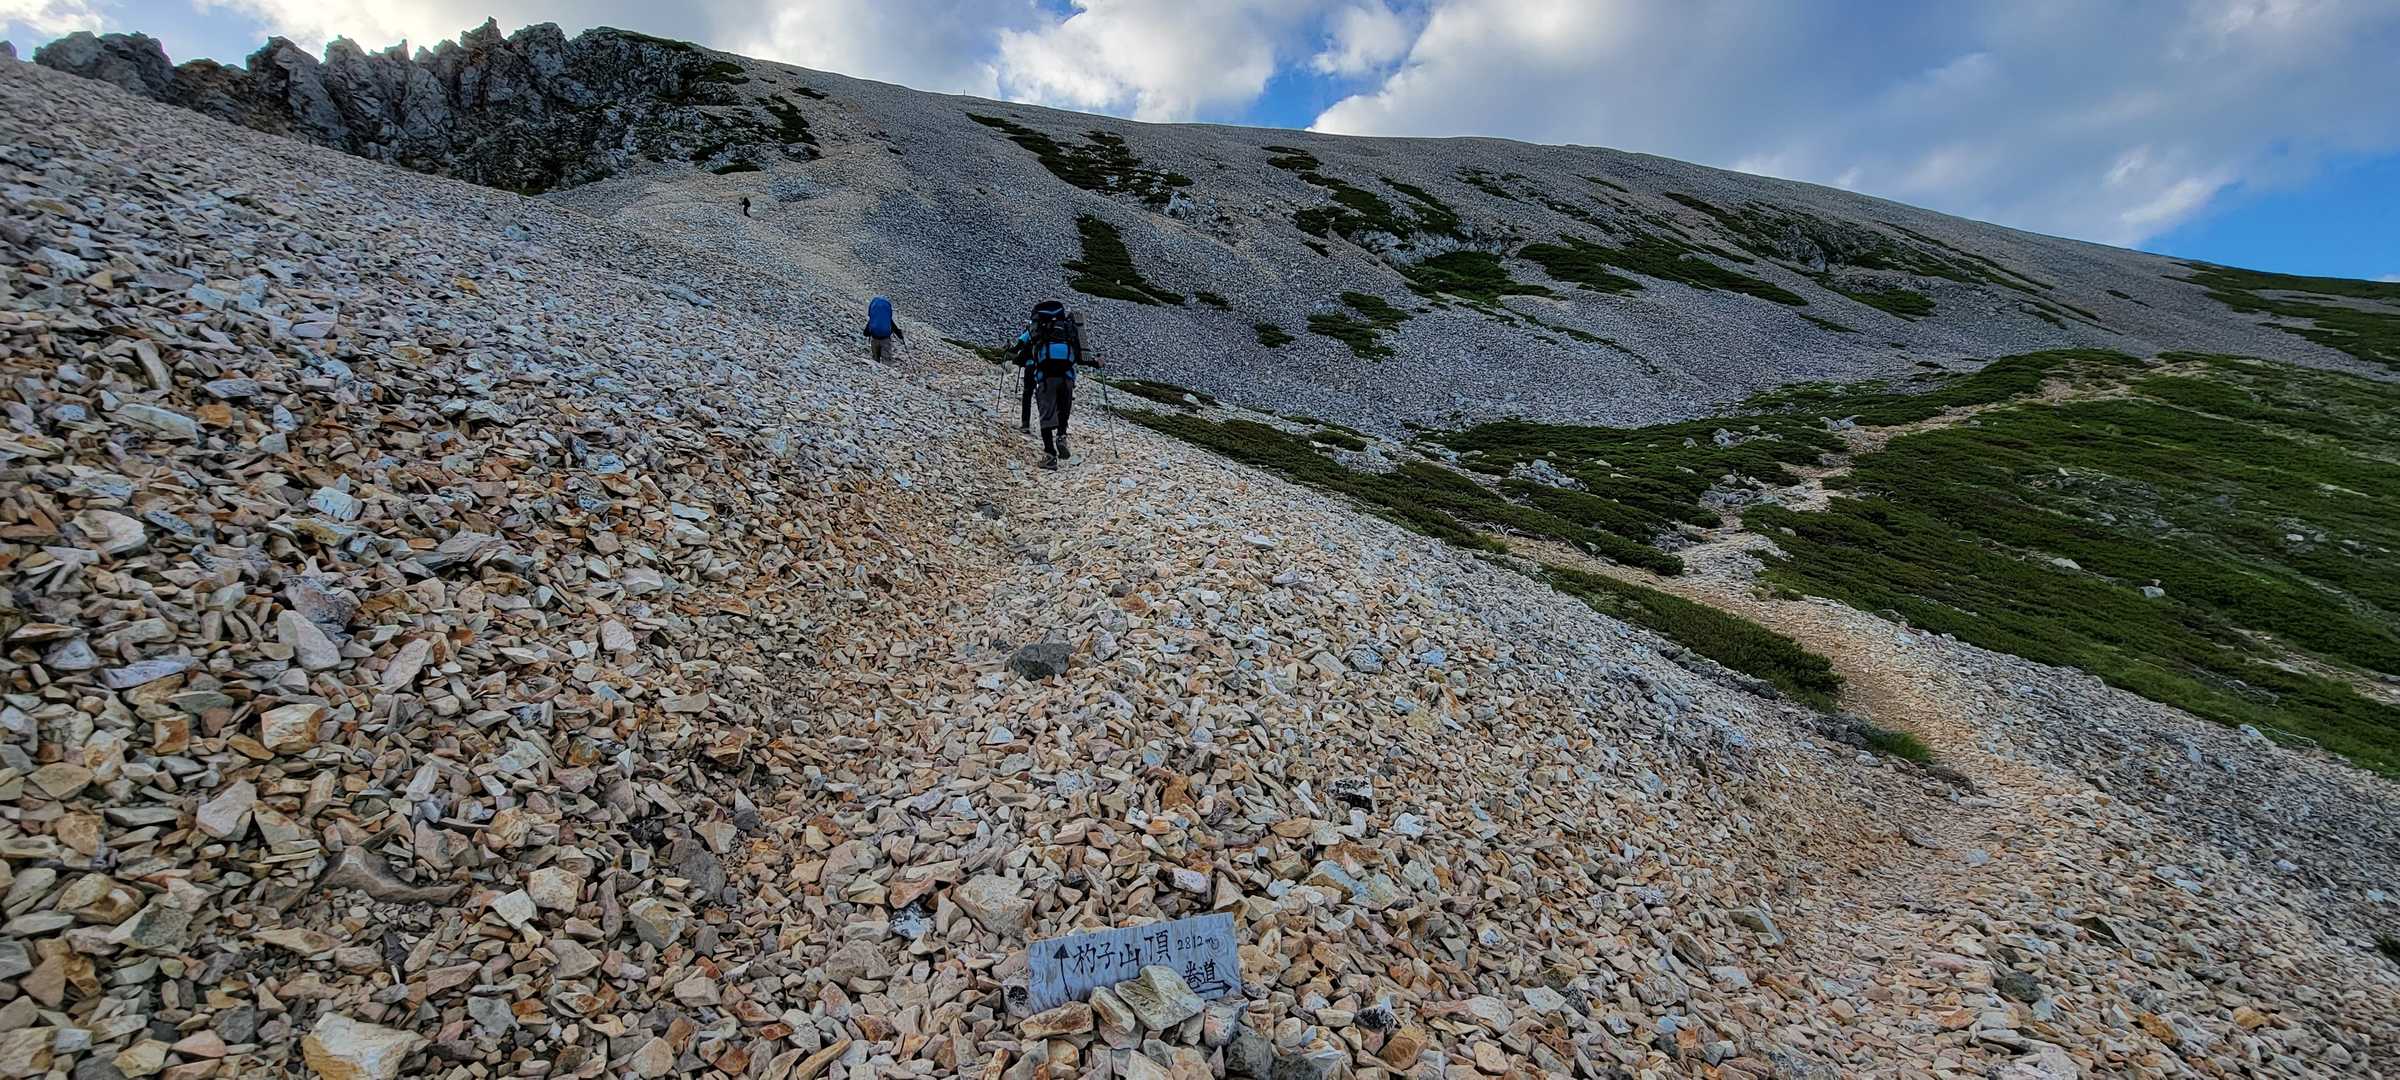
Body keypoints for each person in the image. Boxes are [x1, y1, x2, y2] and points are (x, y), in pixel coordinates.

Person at [1009, 300, 1098, 469]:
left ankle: (1050, 455)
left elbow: (1021, 348)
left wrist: (1014, 356)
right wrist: (1097, 362)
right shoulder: (1069, 329)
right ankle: (1062, 436)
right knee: (1063, 408)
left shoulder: (1037, 328)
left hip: (1045, 376)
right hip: (1067, 376)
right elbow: (1081, 357)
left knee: (1046, 414)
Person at [863, 296, 904, 363]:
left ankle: (876, 368)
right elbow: (894, 327)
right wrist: (900, 335)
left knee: (875, 360)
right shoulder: (887, 319)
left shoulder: (873, 319)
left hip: (874, 339)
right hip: (885, 340)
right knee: (886, 360)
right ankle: (886, 368)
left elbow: (865, 333)